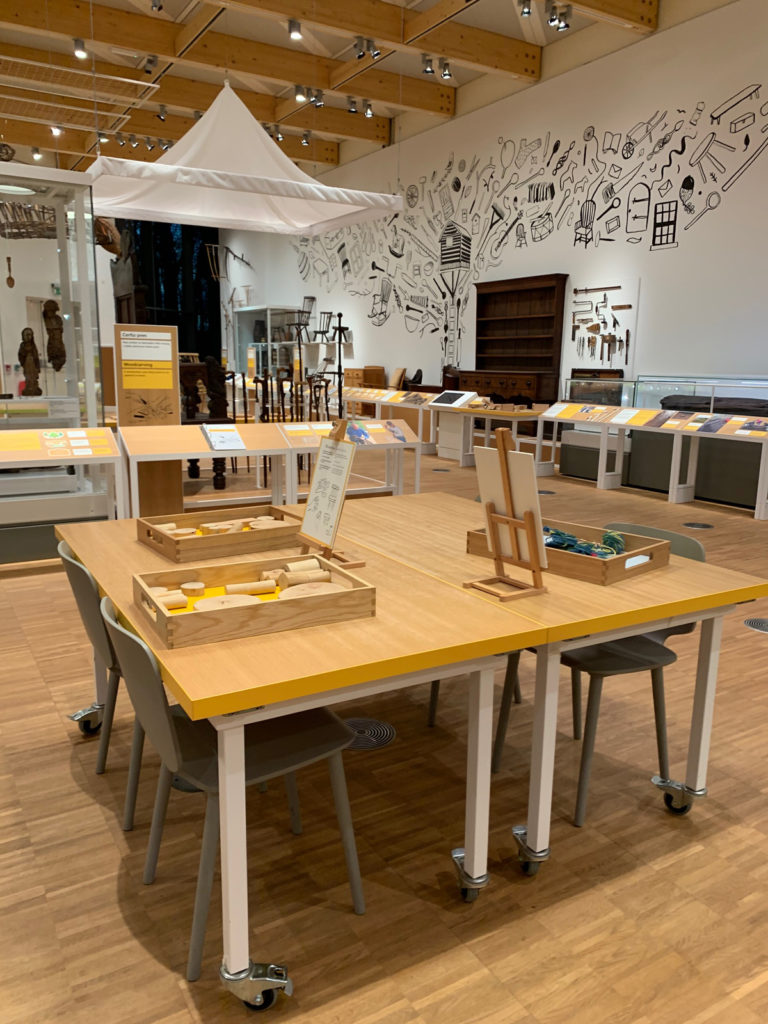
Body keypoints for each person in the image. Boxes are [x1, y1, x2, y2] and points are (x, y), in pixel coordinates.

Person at [18, 327, 42, 396]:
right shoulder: (22, 346)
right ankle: (28, 388)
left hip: (33, 364)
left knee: (33, 377)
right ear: (23, 336)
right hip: (27, 364)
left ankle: (34, 388)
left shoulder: (33, 346)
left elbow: (36, 357)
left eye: (30, 335)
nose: (28, 337)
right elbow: (20, 356)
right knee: (28, 377)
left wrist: (37, 367)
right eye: (27, 335)